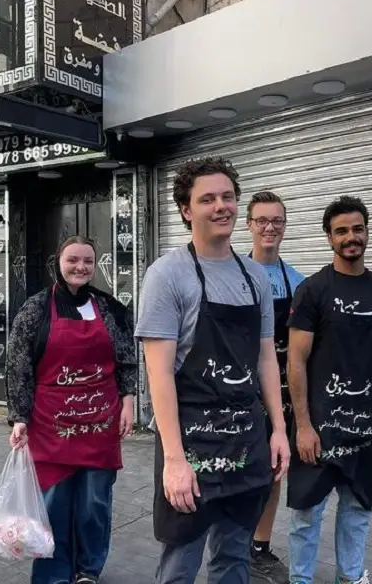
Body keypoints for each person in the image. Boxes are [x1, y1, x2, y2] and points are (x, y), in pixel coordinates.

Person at [135, 157, 291, 584]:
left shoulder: (255, 277)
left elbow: (264, 358)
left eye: (228, 196)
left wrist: (277, 429)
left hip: (245, 439)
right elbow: (159, 375)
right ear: (187, 210)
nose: (221, 206)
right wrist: (174, 461)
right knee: (180, 565)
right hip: (192, 445)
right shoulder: (167, 276)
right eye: (207, 199)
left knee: (233, 560)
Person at [285, 196, 372, 584]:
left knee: (357, 512)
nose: (350, 237)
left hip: (366, 427)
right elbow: (296, 362)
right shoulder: (312, 291)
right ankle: (300, 581)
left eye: (357, 229)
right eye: (341, 231)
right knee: (306, 515)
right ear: (329, 237)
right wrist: (303, 425)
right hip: (319, 428)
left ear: (367, 232)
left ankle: (350, 578)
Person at [6, 235, 138, 584]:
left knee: (95, 503)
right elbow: (18, 365)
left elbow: (126, 359)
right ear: (58, 262)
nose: (80, 267)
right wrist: (19, 418)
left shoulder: (109, 308)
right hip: (51, 425)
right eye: (73, 260)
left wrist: (129, 401)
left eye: (88, 261)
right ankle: (53, 574)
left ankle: (88, 569)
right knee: (54, 503)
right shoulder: (35, 309)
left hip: (100, 422)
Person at [245, 191, 305, 582]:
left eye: (277, 221)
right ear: (248, 225)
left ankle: (259, 546)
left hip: (282, 395)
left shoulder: (298, 282)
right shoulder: (233, 274)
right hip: (240, 394)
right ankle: (233, 542)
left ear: (285, 226)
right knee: (241, 474)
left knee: (273, 473)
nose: (270, 227)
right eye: (262, 220)